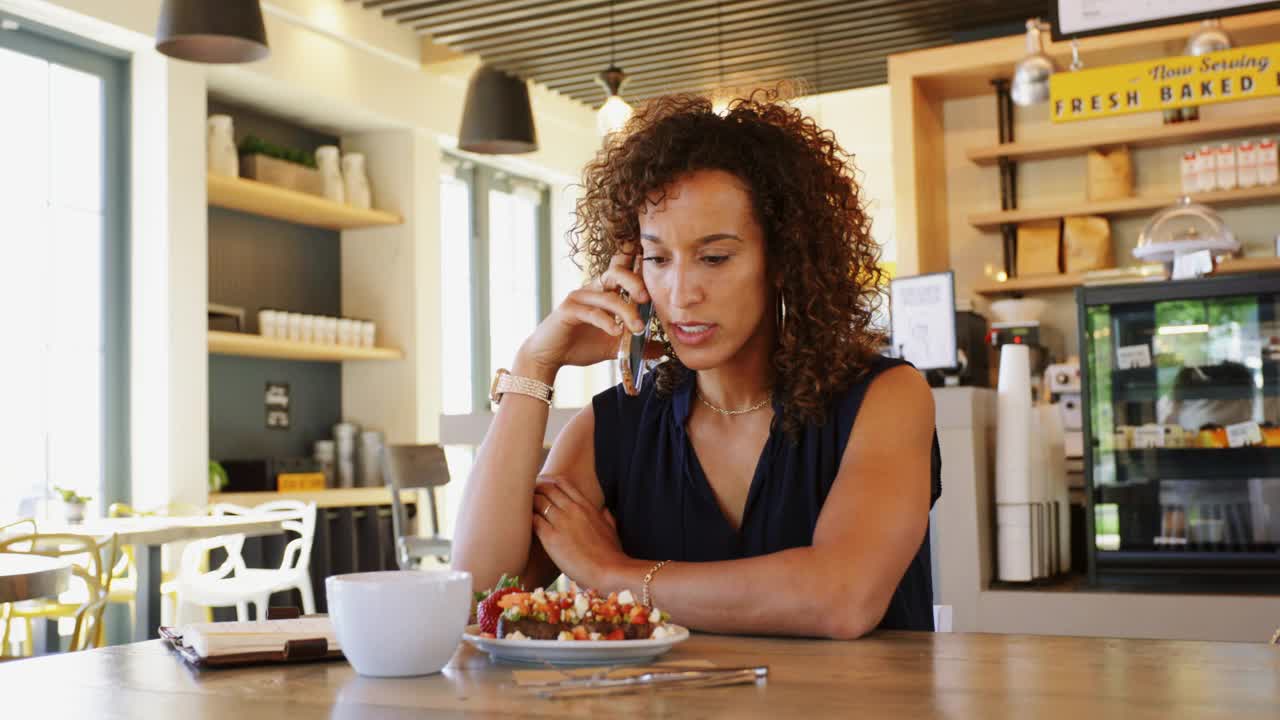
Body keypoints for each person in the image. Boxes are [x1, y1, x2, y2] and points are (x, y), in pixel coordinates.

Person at [452, 88, 941, 639]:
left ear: (782, 259)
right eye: (658, 259)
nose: (681, 294)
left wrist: (610, 573)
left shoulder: (884, 398)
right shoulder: (616, 426)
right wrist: (533, 368)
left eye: (714, 258)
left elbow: (841, 599)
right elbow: (475, 596)